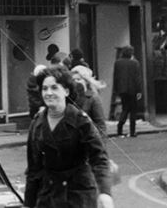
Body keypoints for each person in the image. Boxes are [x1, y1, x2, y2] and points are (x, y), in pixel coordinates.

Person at [24, 65, 114, 208]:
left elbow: (99, 159)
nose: (48, 93)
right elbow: (33, 170)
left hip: (78, 196)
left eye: (54, 88)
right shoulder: (37, 122)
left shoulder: (81, 121)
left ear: (66, 91)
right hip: (48, 197)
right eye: (44, 88)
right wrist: (28, 204)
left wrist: (105, 193)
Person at [112, 45, 144, 137]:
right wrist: (139, 91)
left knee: (125, 108)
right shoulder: (135, 63)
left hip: (122, 90)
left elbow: (116, 77)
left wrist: (116, 90)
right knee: (133, 110)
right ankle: (132, 131)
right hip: (133, 89)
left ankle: (119, 129)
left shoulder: (117, 63)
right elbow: (137, 78)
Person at [70, 64, 107, 139]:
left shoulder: (93, 98)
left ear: (86, 81)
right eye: (73, 80)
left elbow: (101, 124)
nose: (76, 82)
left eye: (79, 79)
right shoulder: (69, 98)